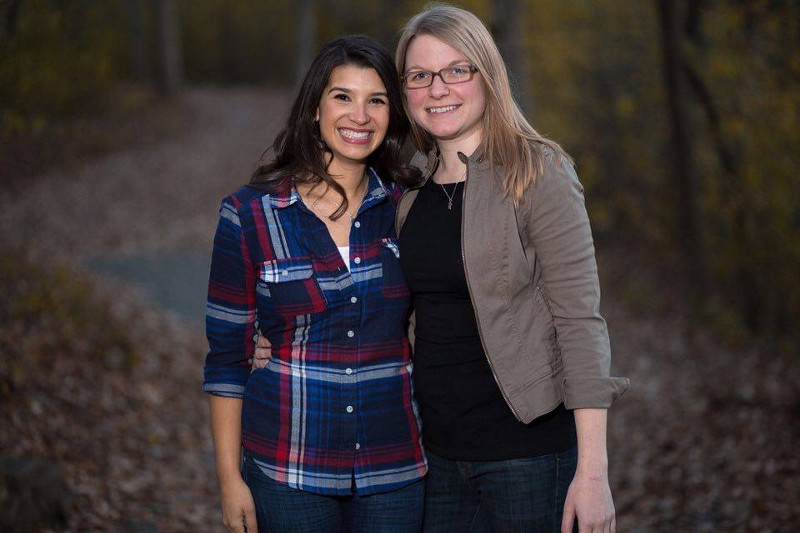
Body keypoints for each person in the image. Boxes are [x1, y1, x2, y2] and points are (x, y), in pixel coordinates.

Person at [393, 5, 629, 532]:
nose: (438, 88)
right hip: (430, 456)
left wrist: (593, 474)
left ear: (487, 74)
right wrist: (281, 337)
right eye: (420, 75)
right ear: (405, 90)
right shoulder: (406, 191)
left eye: (457, 69)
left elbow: (580, 321)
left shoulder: (539, 171)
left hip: (527, 457)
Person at [203, 35, 426, 533]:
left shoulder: (408, 208)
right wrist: (227, 478)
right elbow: (226, 359)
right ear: (314, 110)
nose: (360, 116)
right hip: (287, 469)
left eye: (377, 100)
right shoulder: (249, 215)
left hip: (395, 469)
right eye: (343, 96)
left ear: (393, 115)